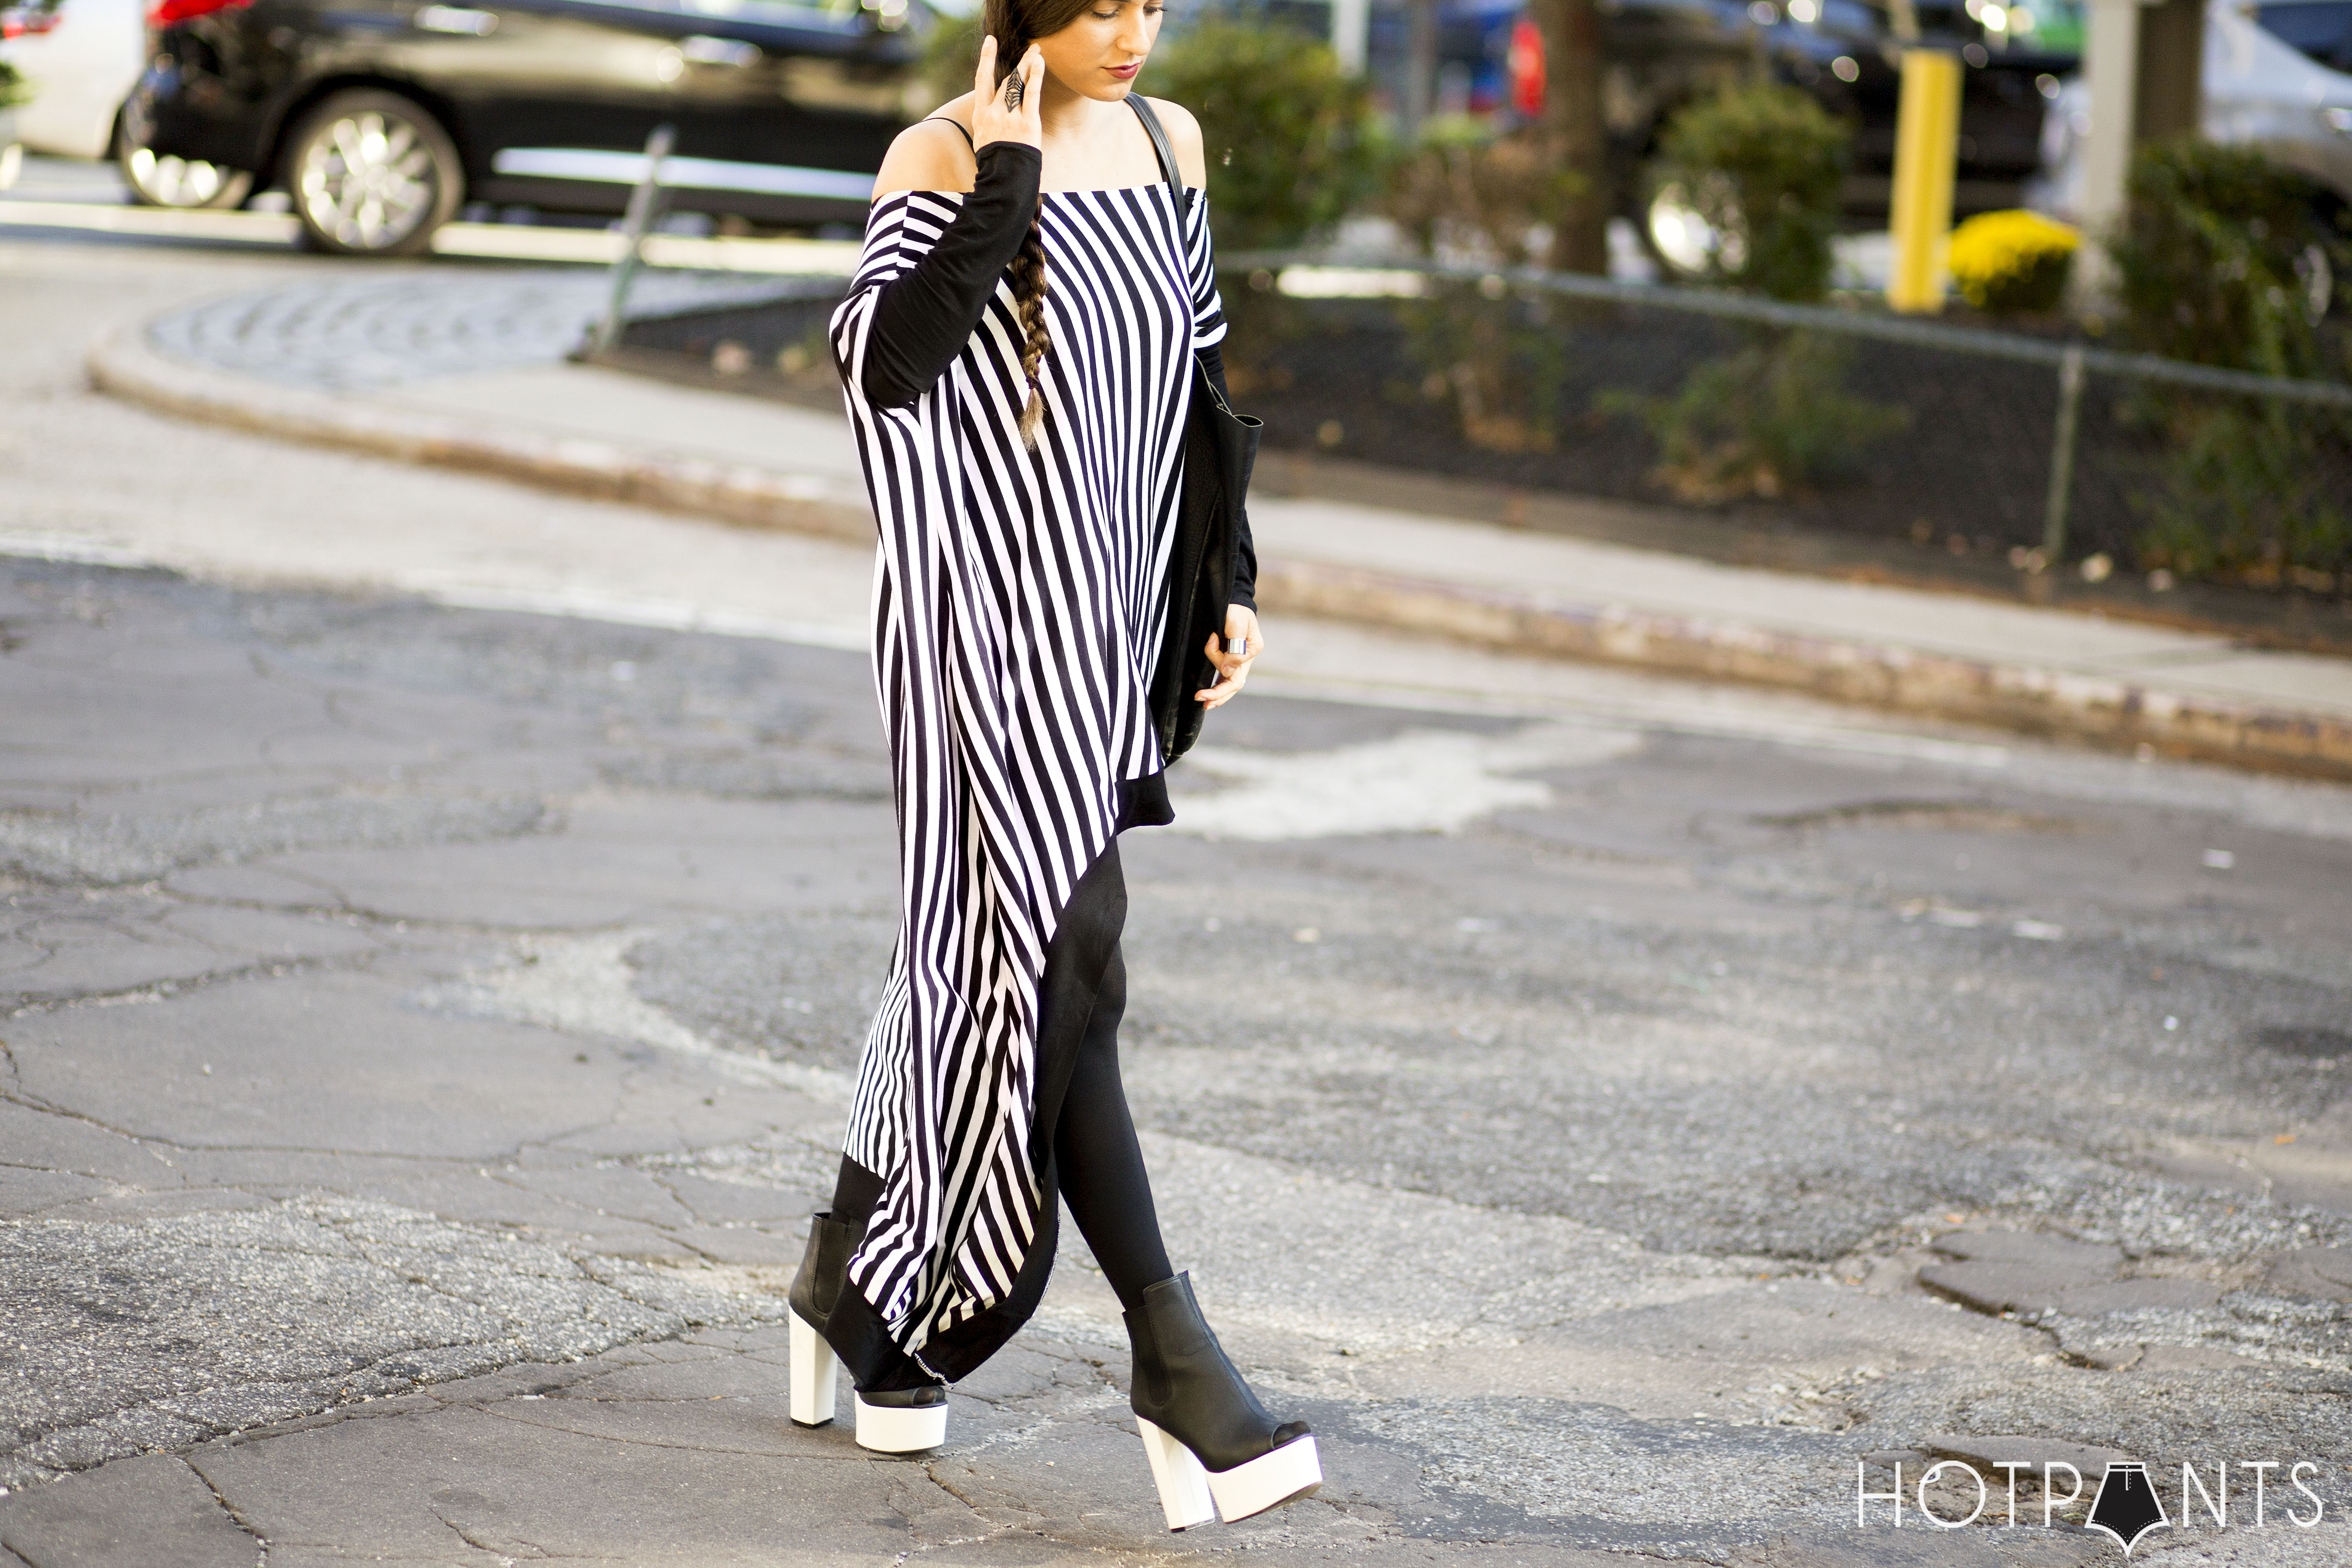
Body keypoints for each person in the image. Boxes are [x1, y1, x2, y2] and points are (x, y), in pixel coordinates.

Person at [783, 0, 1323, 1533]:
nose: (1136, 32)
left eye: (1154, 2)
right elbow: (890, 368)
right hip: (972, 639)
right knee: (1069, 949)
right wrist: (1005, 176)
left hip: (1098, 631)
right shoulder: (940, 152)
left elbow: (1198, 402)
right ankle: (1176, 1356)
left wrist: (1228, 584)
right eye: (1099, 5)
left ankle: (851, 1268)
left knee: (976, 968)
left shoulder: (1169, 144)